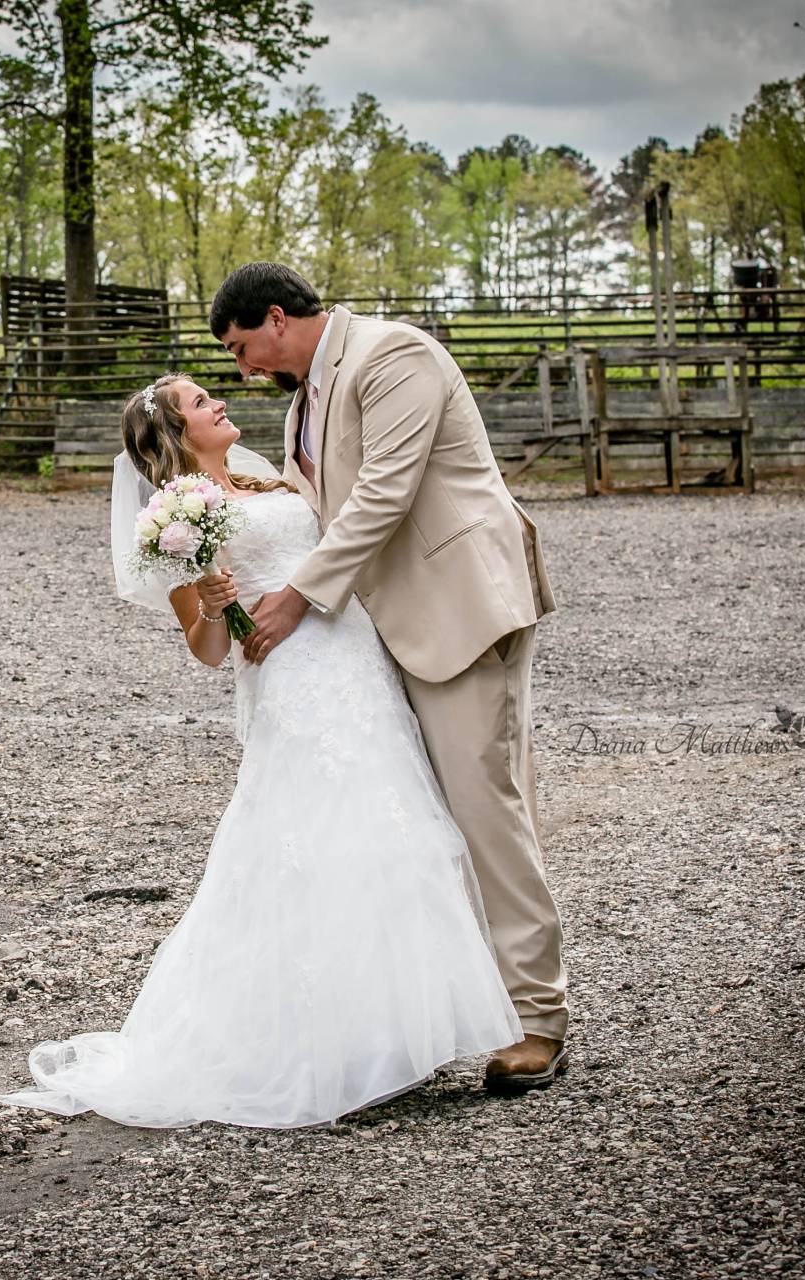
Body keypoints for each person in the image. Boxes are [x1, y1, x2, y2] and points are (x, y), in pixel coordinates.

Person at [0, 374, 523, 1130]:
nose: (217, 403)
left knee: (390, 829)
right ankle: (324, 1043)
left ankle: (394, 1031)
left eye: (212, 393)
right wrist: (214, 606)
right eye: (200, 403)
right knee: (316, 836)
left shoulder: (272, 476)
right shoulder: (175, 520)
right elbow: (209, 651)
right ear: (178, 434)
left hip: (356, 659)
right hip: (291, 680)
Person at [209, 261, 567, 1091]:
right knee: (424, 823)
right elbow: (305, 503)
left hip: (458, 608)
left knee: (488, 811)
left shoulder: (392, 355)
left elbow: (384, 493)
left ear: (274, 317)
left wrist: (296, 599)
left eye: (240, 347)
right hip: (387, 627)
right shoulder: (305, 395)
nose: (243, 369)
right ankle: (448, 1010)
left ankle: (538, 1020)